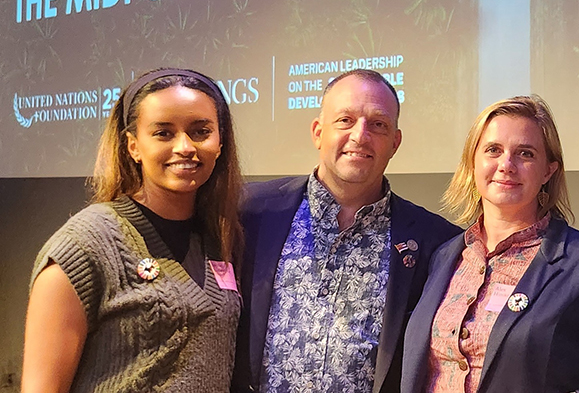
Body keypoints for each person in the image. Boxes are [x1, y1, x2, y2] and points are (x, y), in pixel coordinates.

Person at [233, 69, 458, 393]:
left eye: (378, 124)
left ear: (395, 142)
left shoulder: (435, 242)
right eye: (345, 120)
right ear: (317, 132)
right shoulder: (251, 212)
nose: (360, 136)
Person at [400, 95, 579, 393]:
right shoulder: (444, 257)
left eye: (525, 154)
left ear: (548, 171)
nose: (507, 165)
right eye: (493, 150)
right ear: (472, 163)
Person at [22, 68, 244, 393]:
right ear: (133, 146)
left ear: (220, 142)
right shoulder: (85, 245)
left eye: (200, 131)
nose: (185, 146)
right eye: (163, 133)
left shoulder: (220, 238)